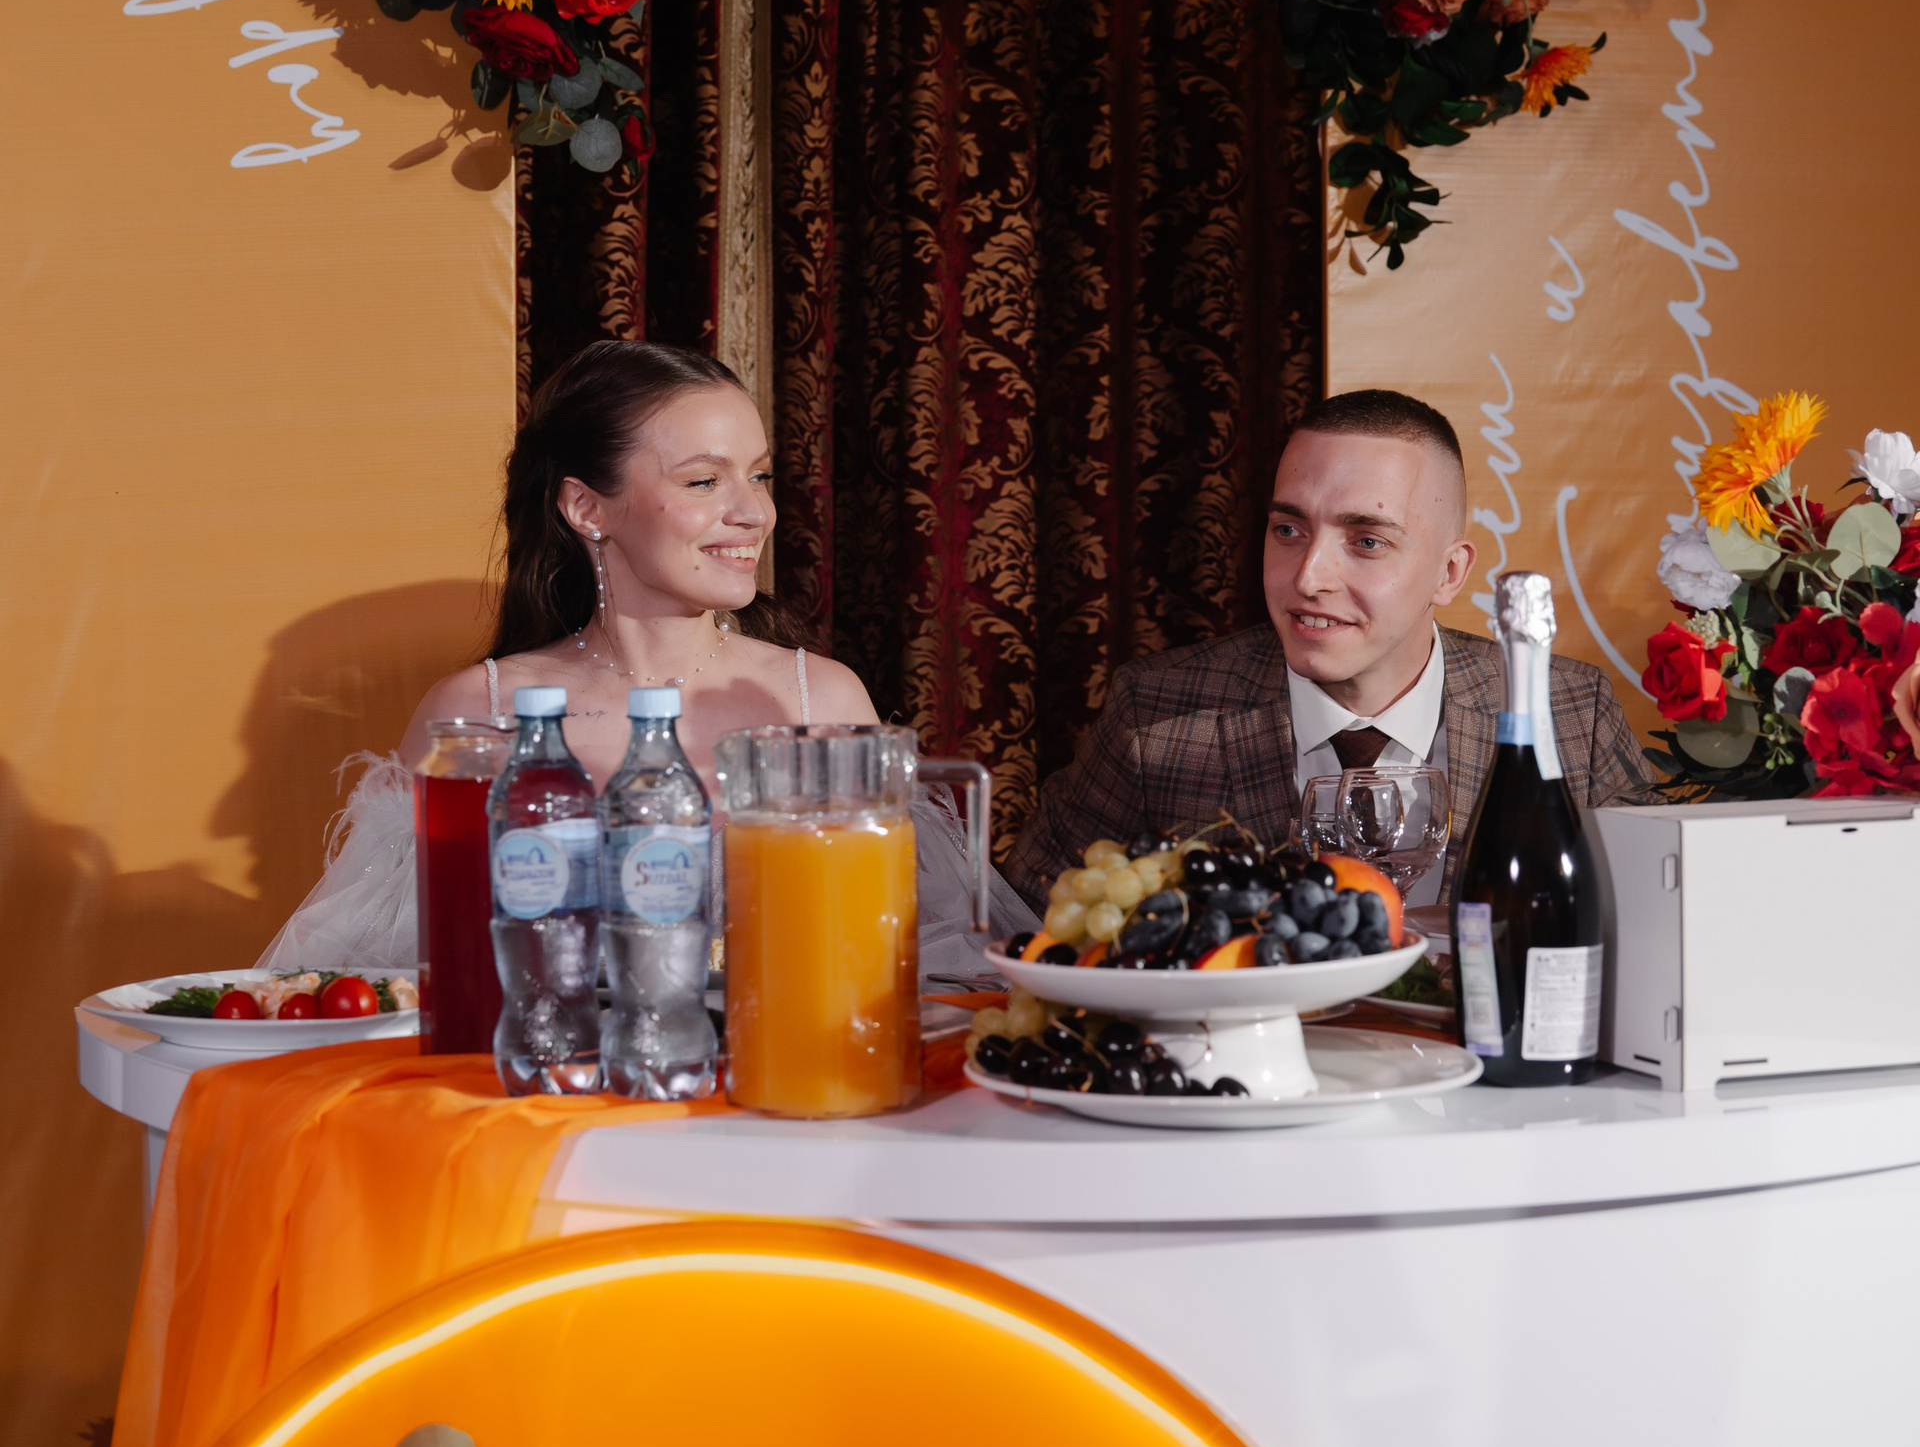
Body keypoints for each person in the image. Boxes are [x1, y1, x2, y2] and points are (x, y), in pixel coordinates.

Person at [262, 342, 1026, 980]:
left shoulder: (819, 699)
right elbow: (389, 975)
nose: (754, 512)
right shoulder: (478, 712)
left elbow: (907, 957)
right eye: (705, 481)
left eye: (760, 475)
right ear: (586, 508)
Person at [1007, 386, 1649, 911]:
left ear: (1449, 573)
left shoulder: (1575, 714)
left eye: (1367, 541)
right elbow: (1028, 919)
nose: (1309, 577)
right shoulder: (1155, 715)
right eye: (1288, 529)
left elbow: (1654, 930)